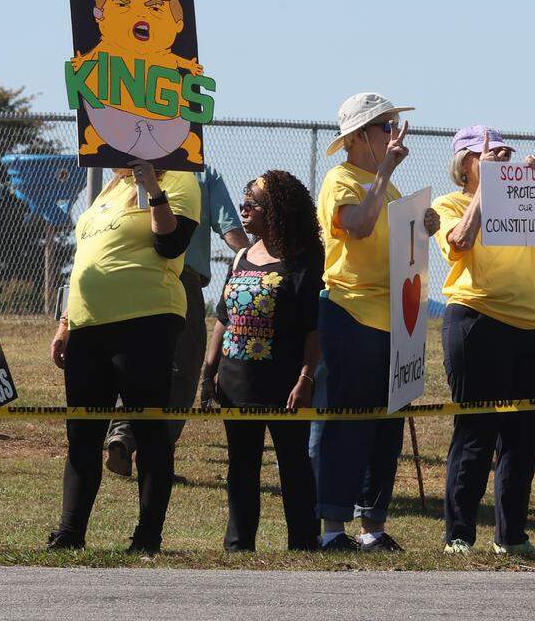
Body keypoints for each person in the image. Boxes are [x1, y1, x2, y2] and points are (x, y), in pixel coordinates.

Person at [47, 159, 200, 553]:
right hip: (87, 323)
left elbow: (171, 244)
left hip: (145, 320)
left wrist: (153, 188)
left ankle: (147, 538)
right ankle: (69, 534)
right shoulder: (111, 186)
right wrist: (66, 321)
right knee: (82, 433)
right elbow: (86, 257)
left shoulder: (178, 178)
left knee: (148, 431)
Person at [311, 92, 439, 552]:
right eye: (386, 126)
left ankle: (372, 528)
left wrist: (424, 224)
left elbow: (400, 248)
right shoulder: (340, 179)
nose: (393, 134)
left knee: (387, 429)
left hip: (396, 321)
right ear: (358, 136)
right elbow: (360, 226)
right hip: (351, 312)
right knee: (348, 424)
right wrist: (385, 173)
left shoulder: (393, 191)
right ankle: (331, 529)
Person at [433, 126, 535, 558]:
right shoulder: (449, 204)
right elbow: (461, 240)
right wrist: (488, 186)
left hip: (533, 326)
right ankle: (459, 534)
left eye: (505, 152)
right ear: (463, 164)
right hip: (477, 320)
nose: (500, 157)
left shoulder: (520, 198)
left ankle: (512, 534)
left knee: (522, 437)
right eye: (486, 153)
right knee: (476, 432)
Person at [199, 171, 323, 551]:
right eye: (244, 201)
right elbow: (223, 319)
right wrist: (208, 372)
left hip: (284, 385)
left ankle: (303, 542)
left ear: (276, 210)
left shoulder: (304, 260)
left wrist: (306, 378)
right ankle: (238, 545)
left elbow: (314, 328)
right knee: (241, 465)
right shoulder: (241, 256)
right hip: (236, 382)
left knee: (294, 463)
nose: (243, 209)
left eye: (252, 203)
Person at [105, 164, 247, 476]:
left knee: (135, 362)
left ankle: (123, 435)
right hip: (181, 280)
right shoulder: (201, 175)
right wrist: (255, 262)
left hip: (133, 279)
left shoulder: (127, 171)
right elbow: (230, 230)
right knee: (183, 367)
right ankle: (157, 455)